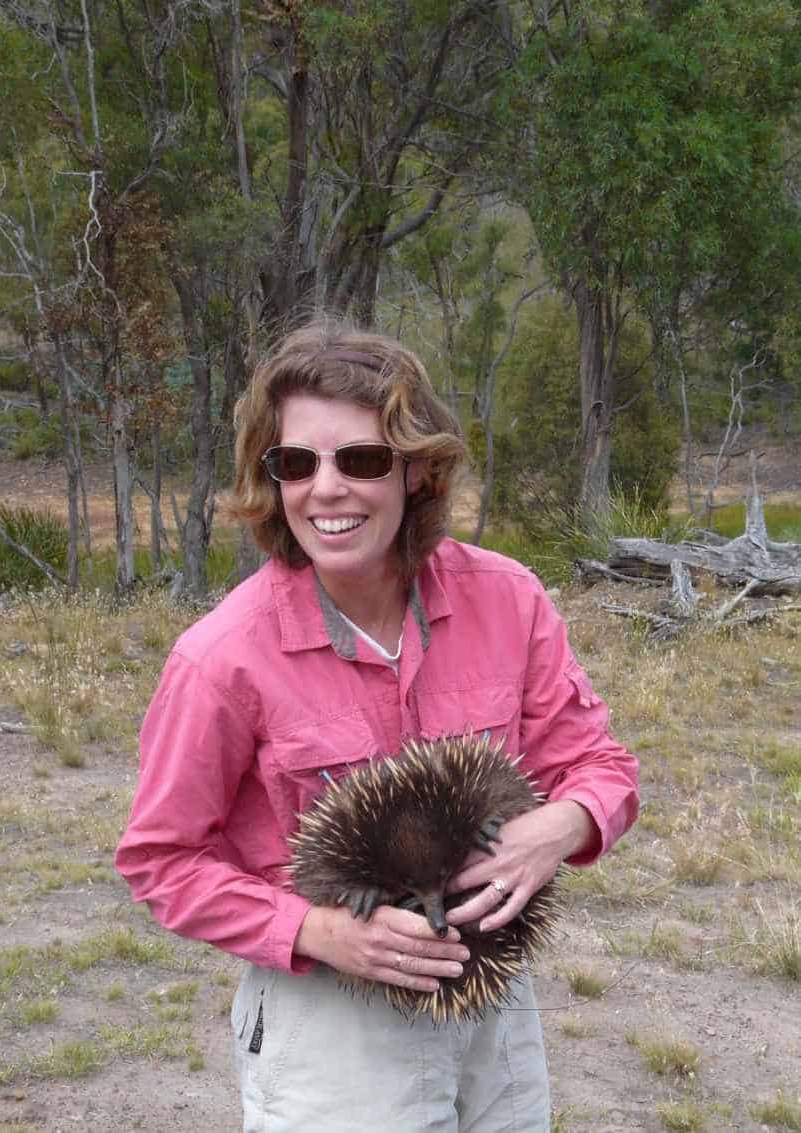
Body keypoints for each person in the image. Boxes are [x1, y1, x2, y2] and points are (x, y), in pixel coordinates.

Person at [115, 320, 639, 1132]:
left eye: (360, 459)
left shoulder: (508, 601)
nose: (326, 489)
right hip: (331, 1016)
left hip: (489, 996)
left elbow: (600, 766)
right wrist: (319, 930)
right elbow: (160, 859)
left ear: (417, 469)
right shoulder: (222, 658)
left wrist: (557, 828)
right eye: (296, 463)